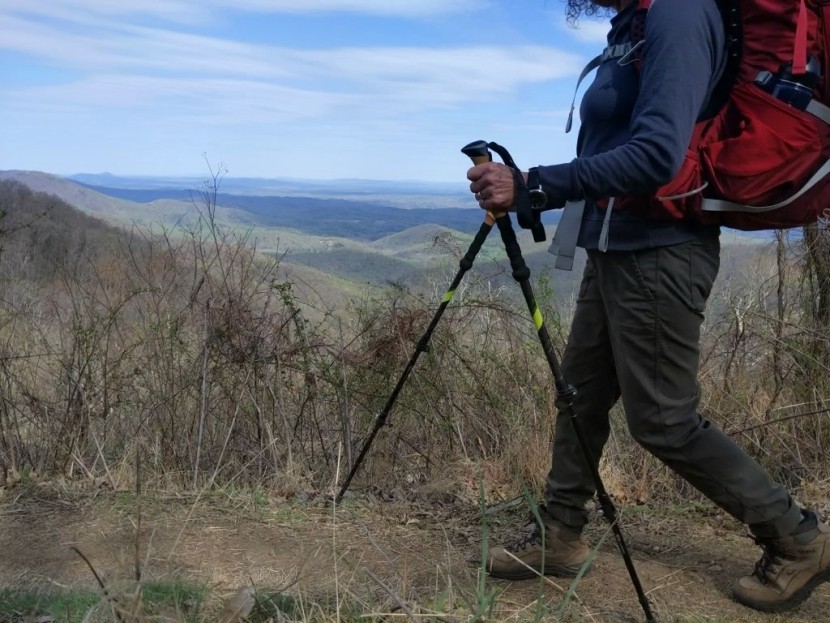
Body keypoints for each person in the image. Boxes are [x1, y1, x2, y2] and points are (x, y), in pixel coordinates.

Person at [466, 0, 830, 612]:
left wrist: (533, 183)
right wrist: (539, 193)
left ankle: (798, 539)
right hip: (615, 245)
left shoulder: (680, 13)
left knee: (663, 419)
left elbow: (659, 153)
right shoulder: (630, 23)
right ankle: (560, 533)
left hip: (663, 250)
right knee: (579, 394)